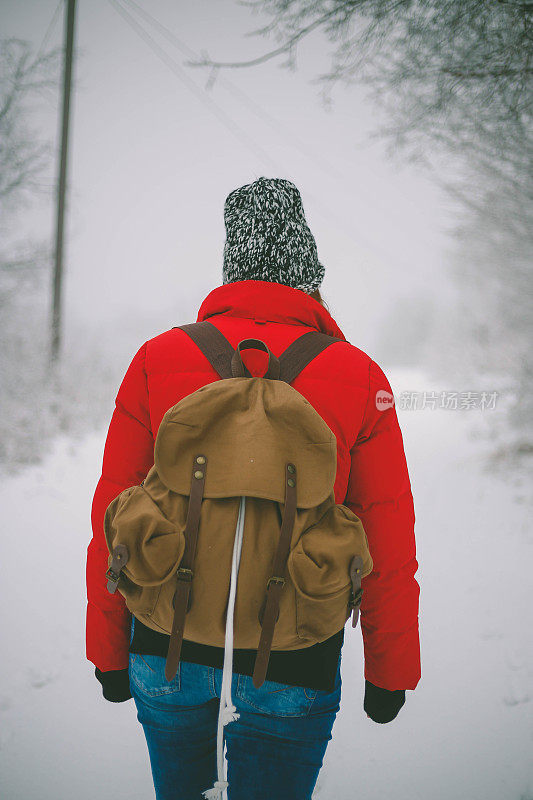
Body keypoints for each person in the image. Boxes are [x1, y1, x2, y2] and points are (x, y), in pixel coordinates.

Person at [86, 177, 421, 800]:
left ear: (231, 264)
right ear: (306, 266)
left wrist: (106, 645)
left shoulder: (158, 359)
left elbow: (113, 512)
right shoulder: (357, 373)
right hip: (297, 652)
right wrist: (391, 665)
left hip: (166, 643)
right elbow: (386, 532)